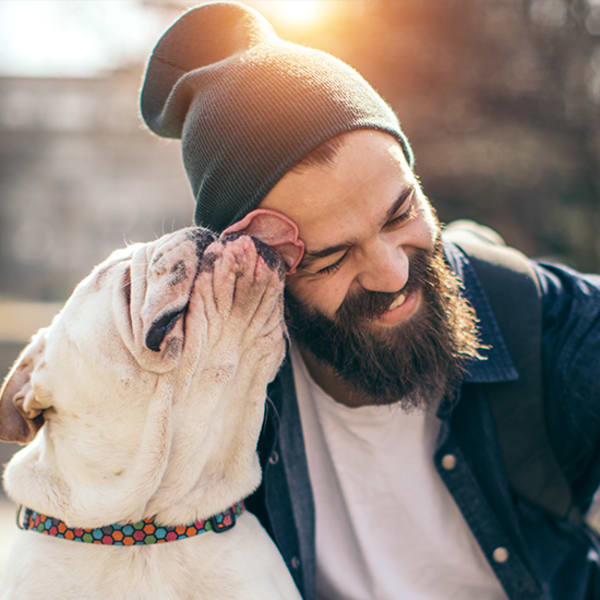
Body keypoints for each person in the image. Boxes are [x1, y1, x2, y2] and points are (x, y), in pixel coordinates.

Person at [139, 3, 600, 599]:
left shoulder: (544, 324)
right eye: (332, 258)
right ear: (259, 273)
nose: (391, 271)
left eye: (401, 213)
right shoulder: (219, 408)